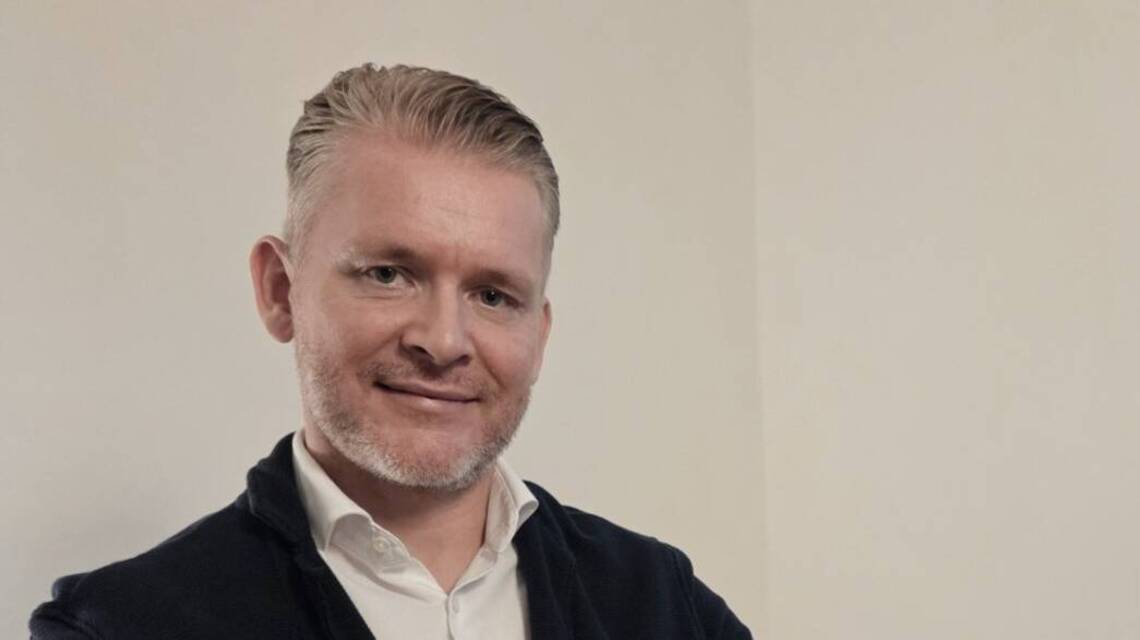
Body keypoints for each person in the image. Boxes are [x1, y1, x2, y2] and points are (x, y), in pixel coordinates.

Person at [29, 63, 752, 639]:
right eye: (388, 274)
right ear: (280, 290)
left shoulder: (666, 607)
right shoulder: (119, 627)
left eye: (493, 295)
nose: (443, 341)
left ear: (539, 334)